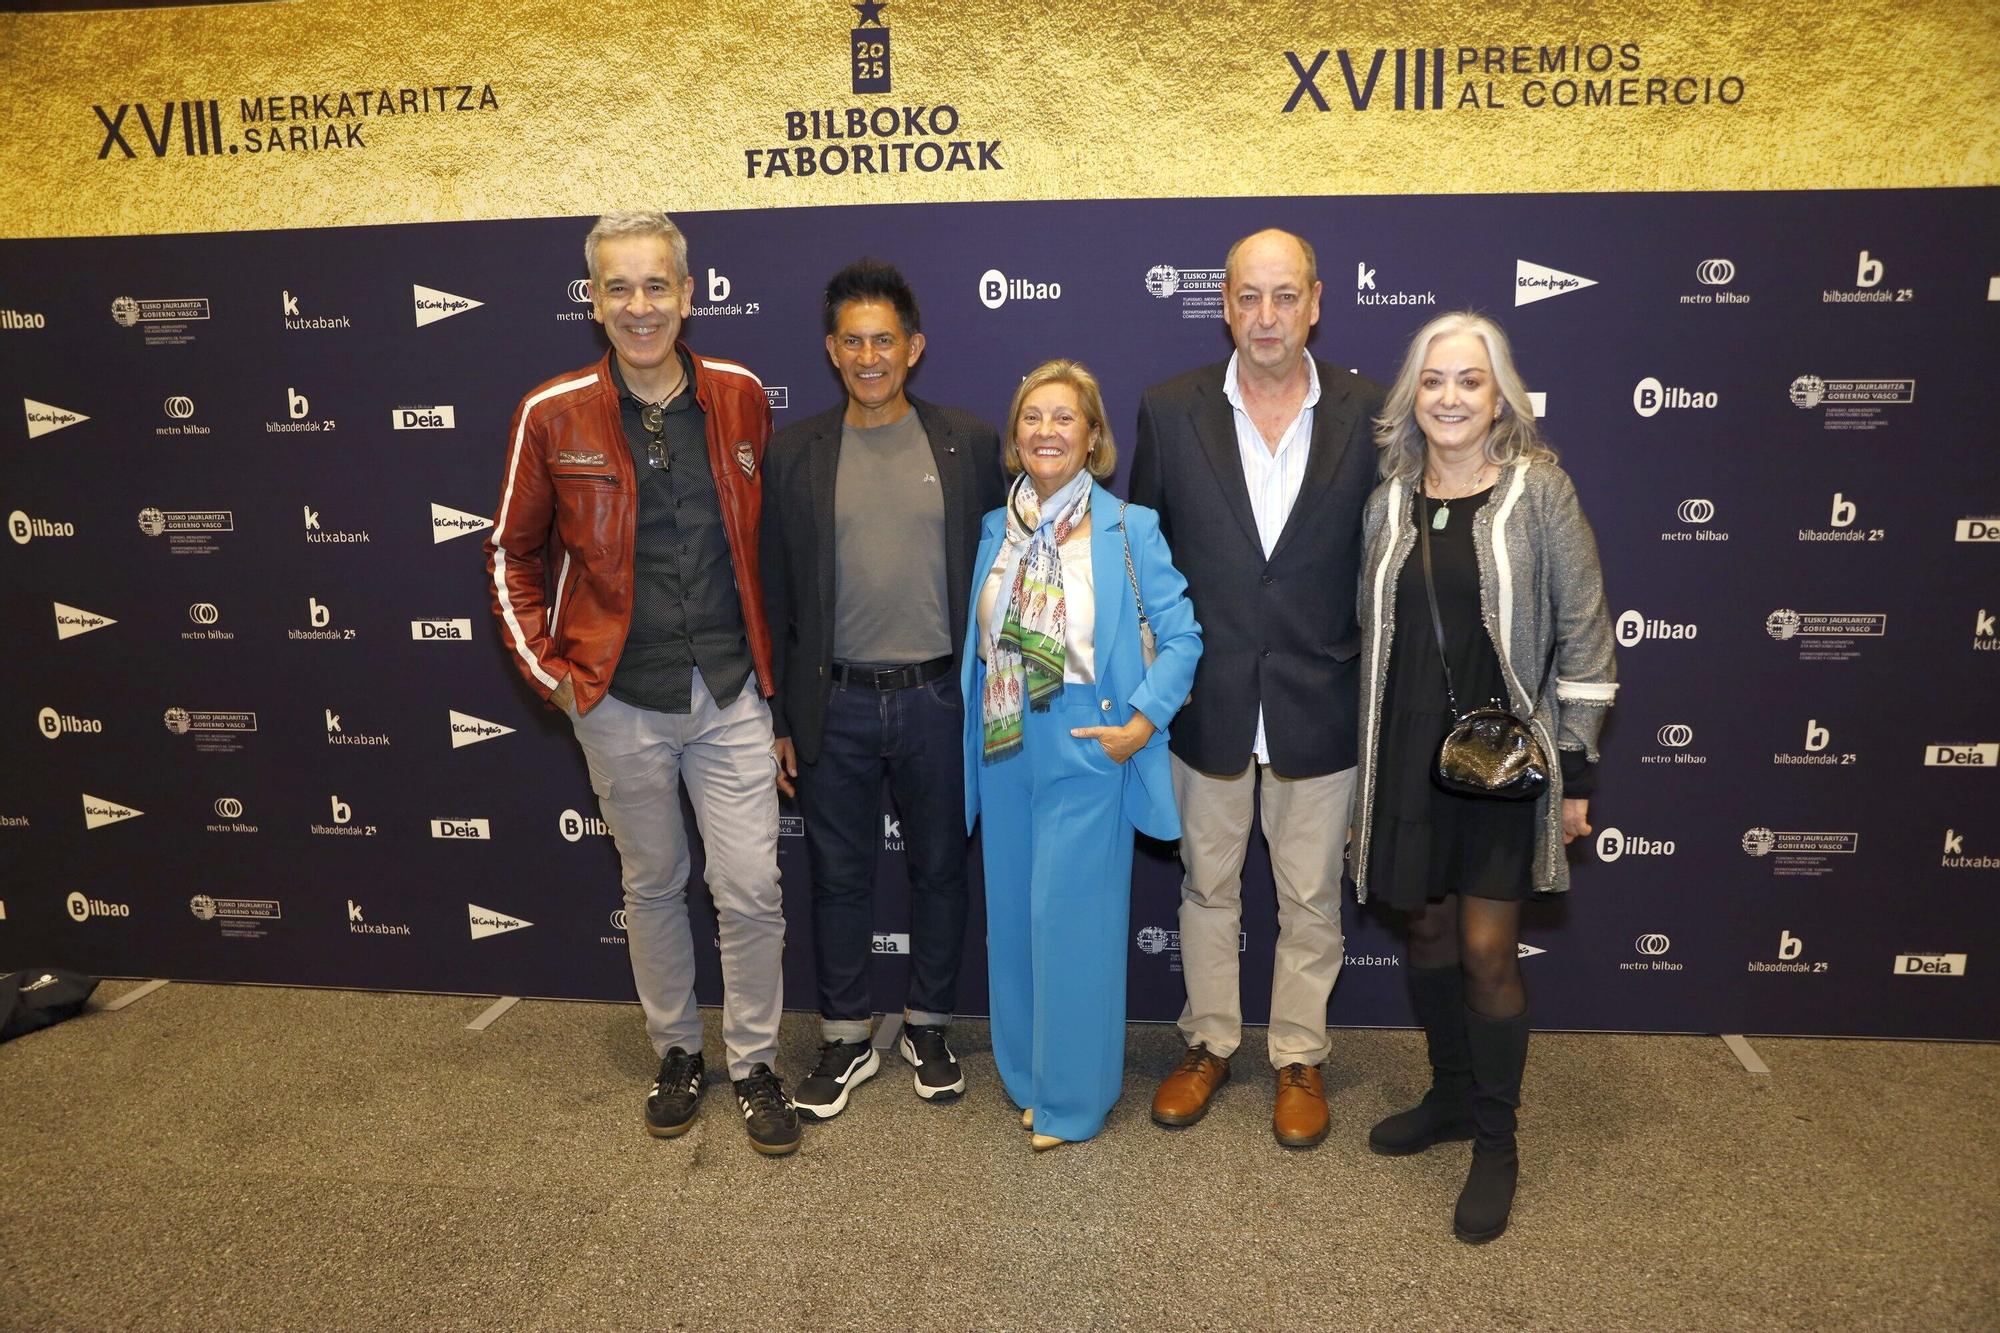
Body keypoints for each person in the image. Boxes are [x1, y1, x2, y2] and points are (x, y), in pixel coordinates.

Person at [485, 211, 799, 1156]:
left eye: (656, 285)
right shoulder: (553, 412)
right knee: (654, 882)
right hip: (617, 698)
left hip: (730, 690)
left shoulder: (740, 396)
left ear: (688, 294)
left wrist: (776, 691)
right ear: (593, 301)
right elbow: (511, 557)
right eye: (618, 288)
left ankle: (751, 1063)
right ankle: (676, 1051)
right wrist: (557, 678)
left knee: (749, 886)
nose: (639, 305)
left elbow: (765, 553)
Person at [1351, 310, 1616, 1242]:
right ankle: (1452, 1096)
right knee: (1422, 929)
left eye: (1469, 380)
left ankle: (1497, 1142)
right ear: (1410, 396)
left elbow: (1586, 636)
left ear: (1499, 394)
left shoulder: (1539, 491)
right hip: (1404, 753)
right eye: (1433, 381)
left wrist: (1575, 773)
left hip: (1503, 764)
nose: (1450, 397)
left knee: (1486, 951)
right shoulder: (1387, 500)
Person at [1128, 227, 1383, 1148]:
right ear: (1224, 303)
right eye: (1248, 297)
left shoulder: (1374, 412)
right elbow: (1145, 564)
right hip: (1211, 701)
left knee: (1313, 896)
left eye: (1285, 297)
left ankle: (1299, 1053)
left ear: (1316, 301)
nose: (1266, 317)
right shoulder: (1168, 410)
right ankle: (1208, 1042)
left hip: (1322, 698)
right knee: (1208, 887)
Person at [762, 259, 1005, 1120]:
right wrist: (782, 717)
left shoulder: (971, 443)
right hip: (837, 703)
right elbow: (777, 594)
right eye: (854, 342)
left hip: (942, 696)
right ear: (832, 351)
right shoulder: (793, 452)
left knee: (941, 866)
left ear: (915, 347)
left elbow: (1012, 568)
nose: (871, 357)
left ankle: (928, 1024)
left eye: (885, 341)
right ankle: (843, 1035)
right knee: (837, 874)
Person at [962, 359, 1201, 1149]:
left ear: (1093, 438)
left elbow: (1184, 638)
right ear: (1015, 435)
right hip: (1004, 744)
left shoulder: (1129, 528)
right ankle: (1029, 1078)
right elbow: (981, 642)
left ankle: (1075, 1100)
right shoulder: (1000, 527)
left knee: (1072, 922)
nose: (1046, 432)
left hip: (1084, 738)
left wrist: (1141, 721)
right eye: (1033, 417)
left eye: (1064, 418)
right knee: (1017, 922)